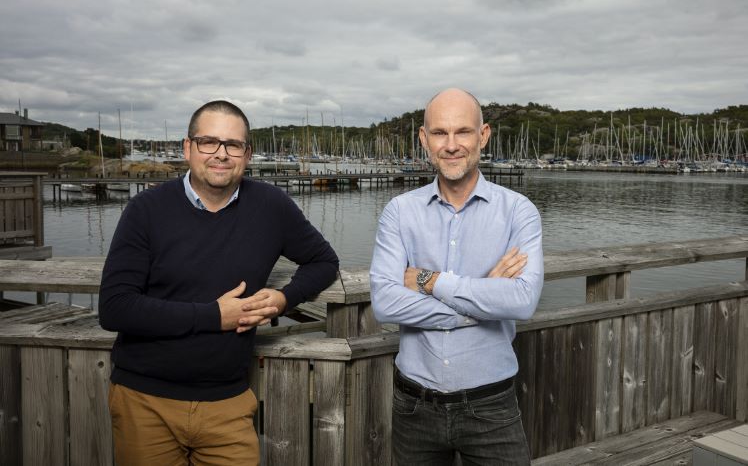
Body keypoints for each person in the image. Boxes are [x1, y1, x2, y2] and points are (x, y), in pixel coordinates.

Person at [99, 100, 339, 466]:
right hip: (145, 401)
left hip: (228, 403)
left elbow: (324, 261)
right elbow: (115, 307)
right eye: (209, 142)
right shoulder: (146, 210)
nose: (221, 154)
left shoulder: (271, 206)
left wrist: (283, 299)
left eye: (233, 145)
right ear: (188, 148)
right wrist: (214, 316)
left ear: (248, 153)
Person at [370, 88, 543, 465]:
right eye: (440, 133)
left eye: (463, 132)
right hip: (414, 406)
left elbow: (522, 301)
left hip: (492, 405)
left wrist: (430, 281)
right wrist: (482, 302)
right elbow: (384, 303)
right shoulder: (399, 212)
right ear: (423, 138)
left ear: (483, 136)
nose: (451, 145)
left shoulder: (519, 212)